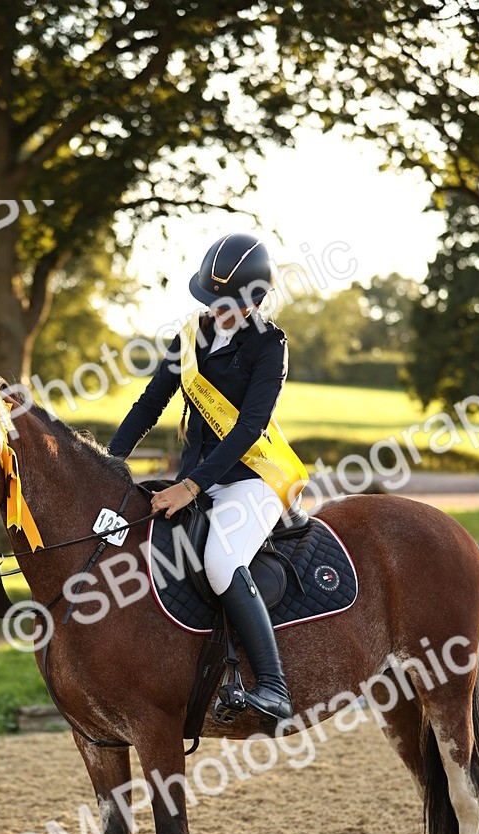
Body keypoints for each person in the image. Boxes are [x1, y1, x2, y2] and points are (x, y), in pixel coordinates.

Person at [108, 232, 306, 722]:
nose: (217, 311)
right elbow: (149, 406)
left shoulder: (269, 346)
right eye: (211, 301)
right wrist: (109, 464)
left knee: (220, 560)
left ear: (256, 300)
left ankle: (274, 687)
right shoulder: (191, 338)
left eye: (229, 303)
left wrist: (191, 486)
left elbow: (249, 428)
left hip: (252, 478)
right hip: (194, 477)